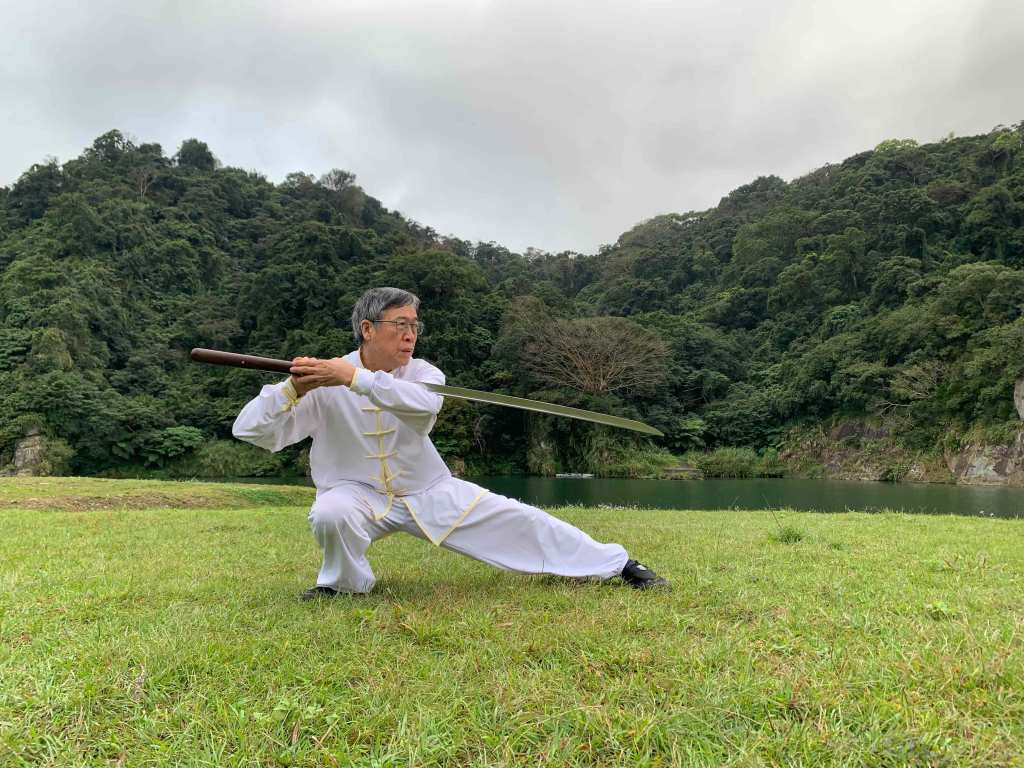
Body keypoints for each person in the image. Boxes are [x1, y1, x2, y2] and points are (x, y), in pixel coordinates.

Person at [233, 287, 669, 599]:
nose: (411, 334)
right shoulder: (323, 381)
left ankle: (617, 564)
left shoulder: (424, 374)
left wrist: (355, 378)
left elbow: (422, 408)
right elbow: (251, 430)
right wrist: (292, 389)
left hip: (427, 488)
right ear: (368, 329)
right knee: (331, 512)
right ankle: (343, 586)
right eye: (401, 325)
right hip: (356, 493)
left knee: (520, 519)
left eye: (415, 326)